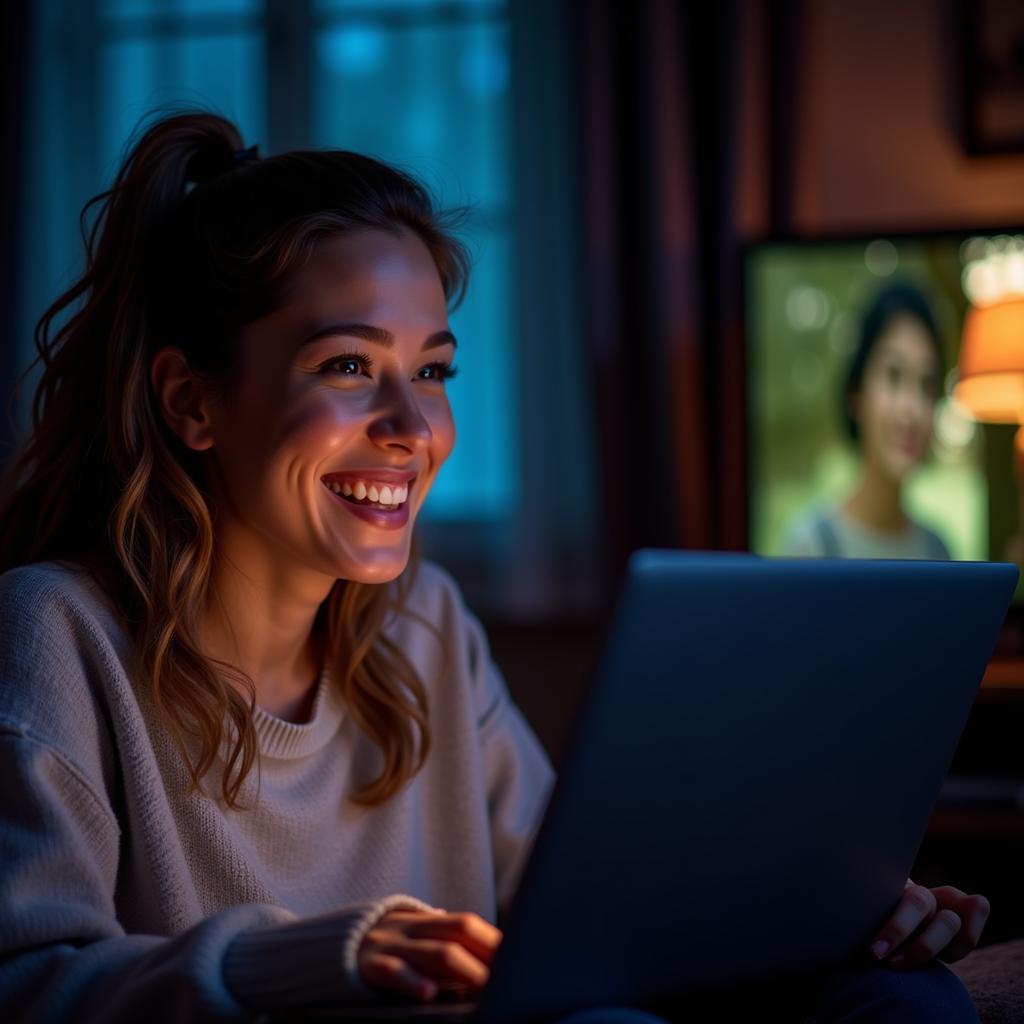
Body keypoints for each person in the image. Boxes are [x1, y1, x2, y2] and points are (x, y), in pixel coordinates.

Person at [0, 112, 988, 1023]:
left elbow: (586, 906)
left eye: (431, 371)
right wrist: (300, 959)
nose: (413, 428)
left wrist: (820, 909)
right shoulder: (55, 635)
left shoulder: (421, 625)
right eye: (349, 365)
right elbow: (26, 983)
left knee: (907, 1002)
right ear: (191, 402)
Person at [780, 283, 952, 560]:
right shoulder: (809, 547)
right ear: (856, 395)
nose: (912, 409)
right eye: (894, 376)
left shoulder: (939, 553)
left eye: (927, 385)